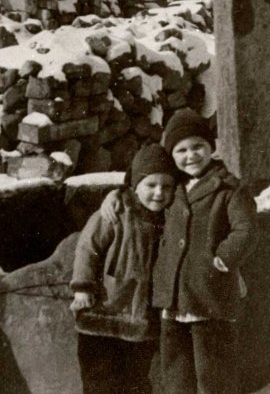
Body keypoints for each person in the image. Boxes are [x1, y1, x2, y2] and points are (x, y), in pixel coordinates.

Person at [101, 108, 257, 394]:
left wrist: (223, 258)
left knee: (214, 373)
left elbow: (245, 230)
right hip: (171, 298)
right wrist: (117, 194)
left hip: (209, 295)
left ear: (212, 147)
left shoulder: (229, 189)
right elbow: (143, 181)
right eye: (181, 150)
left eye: (198, 146)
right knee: (175, 371)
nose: (191, 156)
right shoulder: (175, 187)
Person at [70, 144, 179, 394]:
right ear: (134, 186)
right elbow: (88, 248)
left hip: (141, 320)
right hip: (103, 312)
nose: (159, 193)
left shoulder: (171, 218)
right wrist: (82, 288)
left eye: (166, 186)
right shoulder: (117, 212)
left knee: (136, 381)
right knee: (99, 380)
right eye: (150, 185)